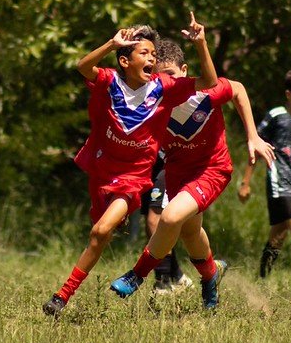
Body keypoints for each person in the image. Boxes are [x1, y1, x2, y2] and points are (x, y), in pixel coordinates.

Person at [42, 14, 217, 317]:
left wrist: (201, 44)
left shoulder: (163, 88)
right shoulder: (109, 82)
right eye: (145, 53)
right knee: (98, 235)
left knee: (100, 232)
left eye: (154, 53)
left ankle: (61, 296)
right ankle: (202, 272)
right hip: (101, 171)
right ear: (125, 61)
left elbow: (210, 82)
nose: (152, 58)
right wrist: (112, 43)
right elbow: (83, 66)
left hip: (132, 178)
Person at [109, 39, 275, 309]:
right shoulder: (152, 102)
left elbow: (238, 89)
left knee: (170, 216)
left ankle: (136, 275)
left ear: (185, 71)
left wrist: (253, 136)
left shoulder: (204, 94)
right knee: (190, 233)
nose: (168, 82)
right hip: (178, 172)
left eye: (172, 75)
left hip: (212, 169)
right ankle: (211, 280)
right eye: (160, 76)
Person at [238, 69, 291, 283]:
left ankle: (262, 277)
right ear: (289, 95)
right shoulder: (276, 116)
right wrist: (245, 183)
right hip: (278, 182)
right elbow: (255, 148)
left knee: (278, 234)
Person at [139, 153, 194, 294]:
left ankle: (163, 282)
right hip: (148, 162)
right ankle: (178, 276)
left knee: (155, 220)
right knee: (149, 221)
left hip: (166, 160)